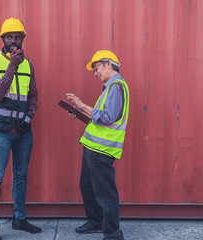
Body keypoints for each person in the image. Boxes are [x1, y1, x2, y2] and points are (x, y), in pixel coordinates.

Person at [0, 17, 41, 240]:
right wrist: (11, 66)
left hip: (23, 131)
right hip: (1, 131)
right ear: (3, 39)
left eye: (17, 37)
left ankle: (19, 218)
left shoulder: (29, 65)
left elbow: (33, 94)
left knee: (21, 176)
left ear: (22, 39)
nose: (13, 41)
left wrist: (31, 114)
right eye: (9, 37)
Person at [66, 50, 129, 240]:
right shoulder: (110, 88)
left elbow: (108, 118)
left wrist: (81, 105)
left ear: (109, 64)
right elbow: (100, 120)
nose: (95, 73)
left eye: (97, 68)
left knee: (105, 193)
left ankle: (113, 234)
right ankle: (96, 221)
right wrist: (81, 114)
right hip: (93, 148)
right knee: (87, 186)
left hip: (102, 150)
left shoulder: (117, 86)